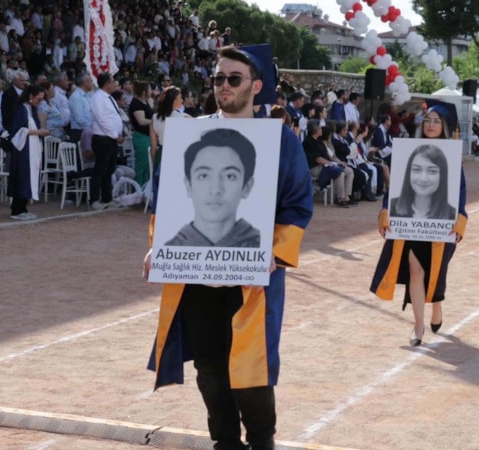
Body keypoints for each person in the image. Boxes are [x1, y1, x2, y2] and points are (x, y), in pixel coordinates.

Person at [143, 45, 313, 450]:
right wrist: (159, 247)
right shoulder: (191, 133)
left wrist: (278, 250)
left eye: (233, 79)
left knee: (251, 372)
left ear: (255, 86)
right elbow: (165, 197)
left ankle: (261, 442)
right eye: (218, 78)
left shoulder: (280, 141)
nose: (224, 86)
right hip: (197, 274)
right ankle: (224, 443)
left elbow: (297, 204)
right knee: (209, 369)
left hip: (253, 278)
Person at [372, 103, 468, 346]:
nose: (431, 125)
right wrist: (386, 214)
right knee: (416, 271)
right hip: (410, 223)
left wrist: (459, 223)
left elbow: (460, 193)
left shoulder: (452, 156)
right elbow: (394, 187)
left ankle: (436, 305)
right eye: (427, 120)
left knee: (436, 270)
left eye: (436, 121)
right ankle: (418, 326)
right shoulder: (407, 151)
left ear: (444, 126)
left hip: (441, 225)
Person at [165, 128, 260, 248]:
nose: (215, 190)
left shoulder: (263, 249)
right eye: (203, 176)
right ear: (188, 185)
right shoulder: (168, 252)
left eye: (229, 176)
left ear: (247, 187)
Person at [8, 85, 49, 220]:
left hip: (32, 148)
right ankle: (17, 209)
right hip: (23, 149)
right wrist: (38, 132)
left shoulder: (31, 109)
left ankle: (23, 208)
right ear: (31, 96)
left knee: (28, 177)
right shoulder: (21, 109)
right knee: (22, 177)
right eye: (38, 98)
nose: (40, 101)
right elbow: (17, 131)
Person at [89, 72, 125, 210]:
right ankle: (94, 199)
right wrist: (115, 135)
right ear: (106, 84)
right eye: (112, 81)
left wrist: (118, 135)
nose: (114, 84)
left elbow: (113, 117)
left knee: (109, 169)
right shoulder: (98, 98)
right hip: (103, 138)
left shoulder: (108, 98)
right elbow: (102, 119)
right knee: (100, 169)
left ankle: (107, 198)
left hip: (111, 138)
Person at [390, 143, 456, 219]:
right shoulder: (391, 207)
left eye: (432, 171)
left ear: (442, 176)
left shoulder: (452, 214)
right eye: (417, 169)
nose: (423, 178)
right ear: (409, 173)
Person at [128, 80, 154, 185]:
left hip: (148, 136)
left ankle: (147, 189)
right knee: (142, 164)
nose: (151, 91)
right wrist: (155, 121)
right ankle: (139, 189)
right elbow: (142, 121)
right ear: (144, 91)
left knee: (149, 165)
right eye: (149, 89)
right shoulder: (136, 104)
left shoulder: (145, 102)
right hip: (141, 137)